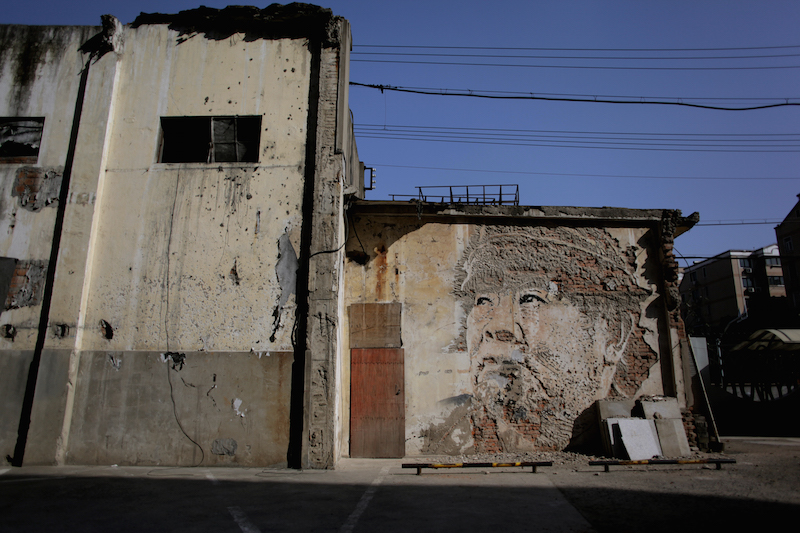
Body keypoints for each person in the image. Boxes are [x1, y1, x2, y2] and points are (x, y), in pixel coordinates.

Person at [426, 225, 656, 453]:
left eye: (530, 299)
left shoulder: (636, 420)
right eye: (483, 301)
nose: (497, 328)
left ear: (615, 334)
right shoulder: (444, 425)